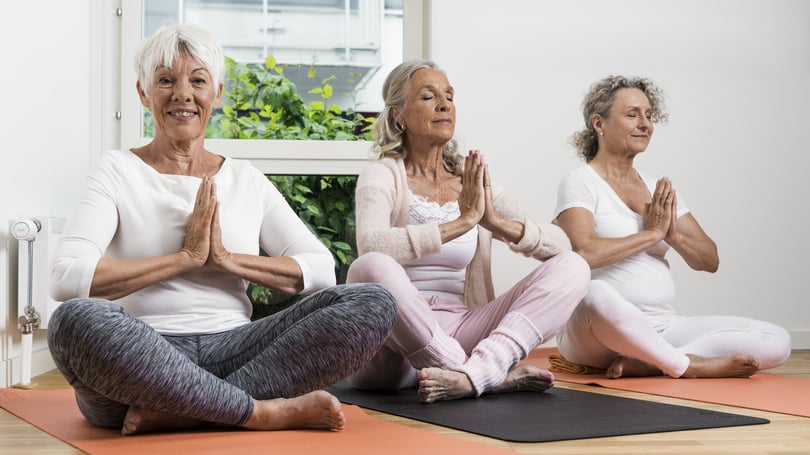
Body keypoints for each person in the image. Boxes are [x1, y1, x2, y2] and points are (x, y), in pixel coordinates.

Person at [47, 24, 396, 436]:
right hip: (141, 361)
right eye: (165, 80)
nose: (182, 94)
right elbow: (65, 277)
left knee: (373, 302)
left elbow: (319, 269)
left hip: (237, 350)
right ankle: (260, 412)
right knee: (74, 319)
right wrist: (183, 259)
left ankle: (192, 411)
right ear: (143, 93)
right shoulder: (117, 169)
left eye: (197, 80)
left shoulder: (245, 179)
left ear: (217, 94)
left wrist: (227, 260)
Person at [344, 59, 590, 403]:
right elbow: (372, 245)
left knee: (574, 267)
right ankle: (487, 375)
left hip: (464, 326)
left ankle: (473, 372)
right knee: (368, 268)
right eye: (428, 97)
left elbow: (562, 246)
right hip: (392, 346)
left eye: (449, 96)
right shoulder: (383, 174)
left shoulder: (470, 178)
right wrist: (460, 223)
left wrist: (496, 223)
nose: (444, 104)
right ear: (398, 115)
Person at [552, 75, 791, 379]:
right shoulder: (579, 182)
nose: (645, 124)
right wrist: (650, 235)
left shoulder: (657, 188)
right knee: (594, 292)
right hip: (594, 333)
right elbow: (584, 252)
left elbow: (710, 260)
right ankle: (686, 364)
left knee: (777, 340)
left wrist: (673, 236)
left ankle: (654, 361)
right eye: (632, 114)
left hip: (663, 326)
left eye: (649, 116)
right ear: (599, 123)